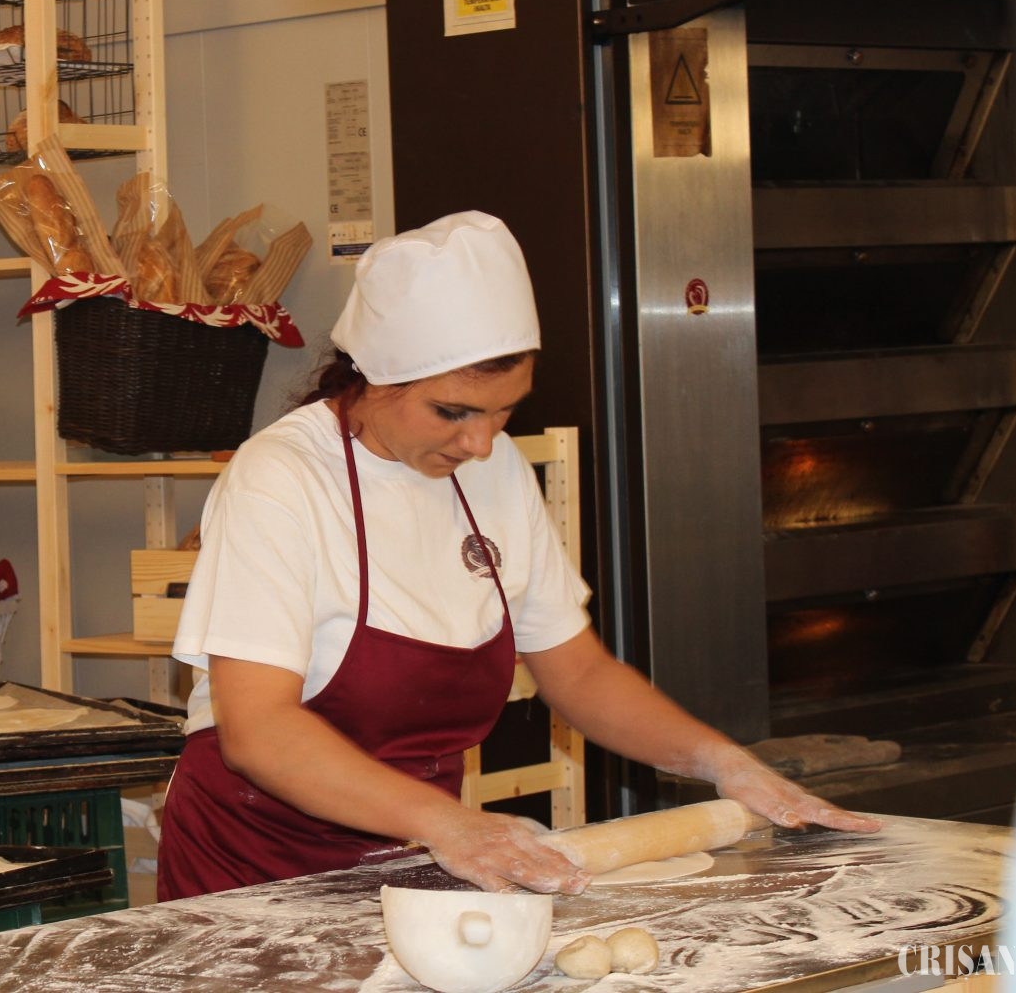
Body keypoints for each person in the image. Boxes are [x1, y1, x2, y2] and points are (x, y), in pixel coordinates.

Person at [157, 211, 880, 901]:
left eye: (504, 411)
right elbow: (260, 730)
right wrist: (448, 824)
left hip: (423, 860)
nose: (481, 442)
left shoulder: (493, 469)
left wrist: (726, 763)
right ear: (374, 377)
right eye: (453, 411)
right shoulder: (282, 478)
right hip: (255, 872)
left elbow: (580, 673)